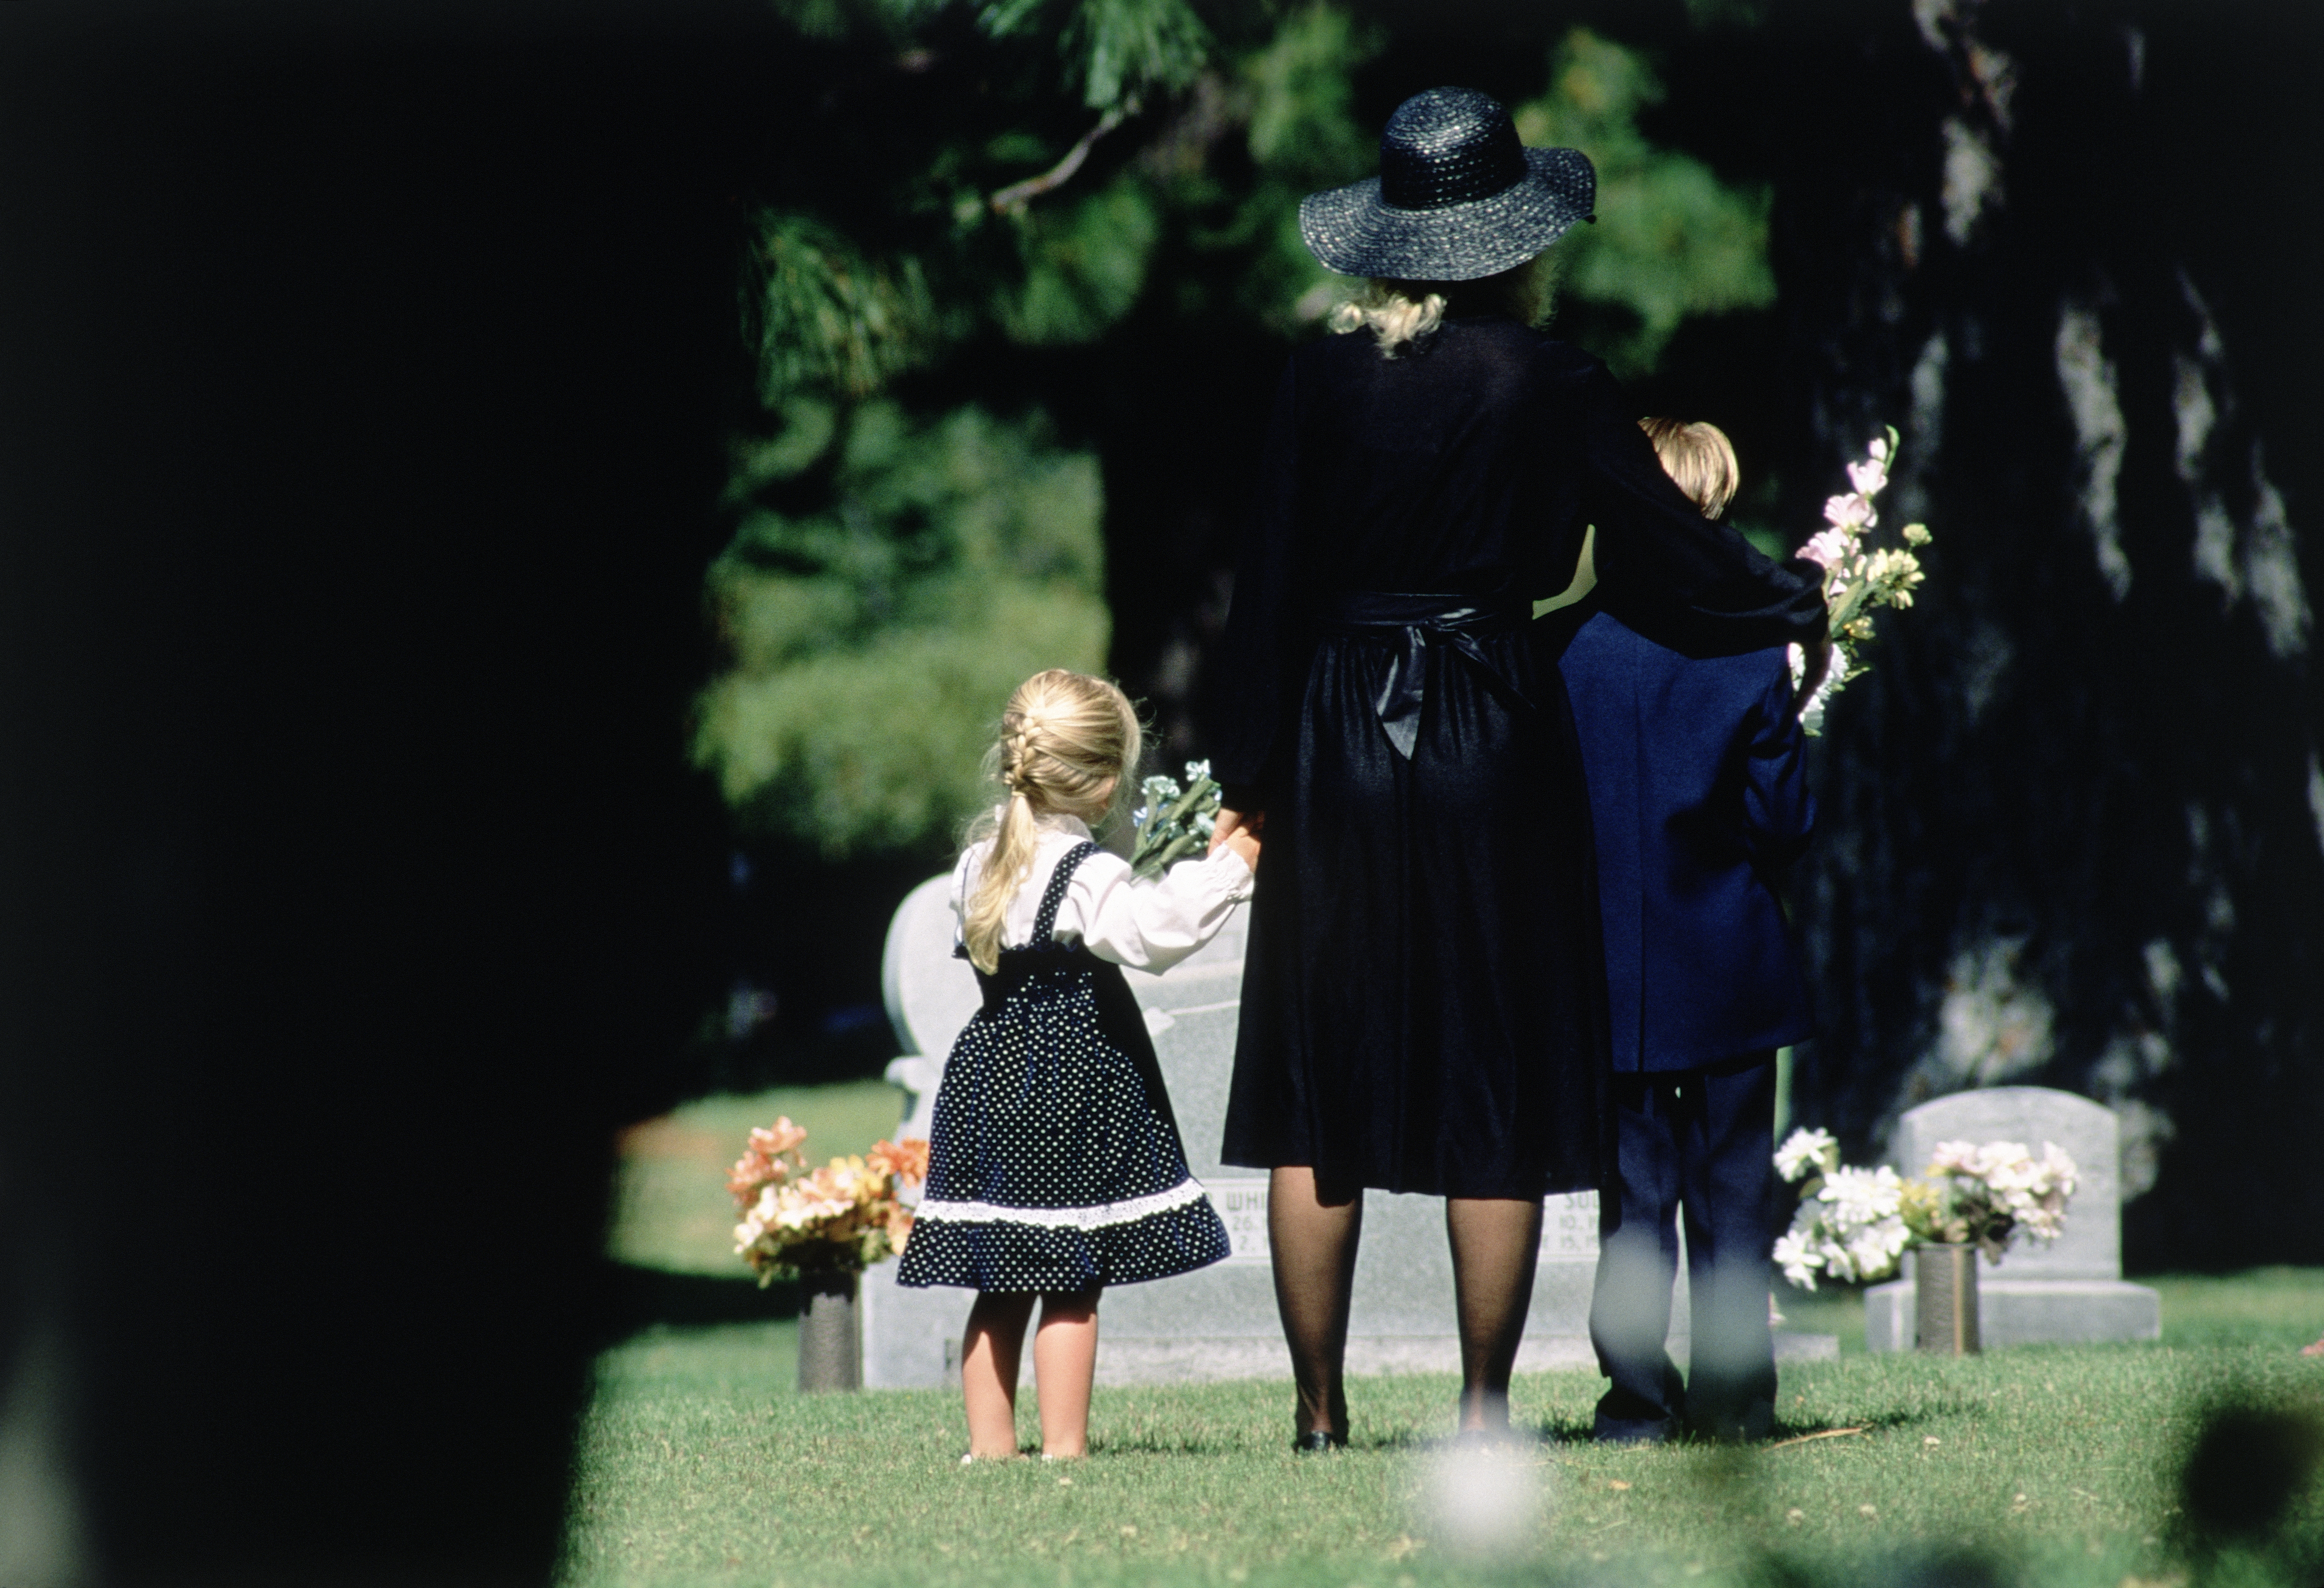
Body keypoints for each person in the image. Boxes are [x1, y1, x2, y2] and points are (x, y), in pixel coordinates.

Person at [1206, 87, 1829, 1450]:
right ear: (1511, 241)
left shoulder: (1315, 376)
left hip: (1334, 729)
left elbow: (1268, 583)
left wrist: (1248, 771)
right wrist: (1792, 607)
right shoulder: (1554, 381)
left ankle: (1320, 1417)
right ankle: (1484, 1412)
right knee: (1489, 1066)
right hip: (1494, 723)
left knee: (1322, 1077)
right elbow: (1663, 549)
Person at [897, 669, 1259, 1461]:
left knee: (1000, 1274)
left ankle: (989, 1449)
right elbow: (1156, 933)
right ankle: (1064, 1449)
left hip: (991, 1074)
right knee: (1070, 1275)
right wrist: (1235, 865)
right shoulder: (1087, 874)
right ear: (1101, 783)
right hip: (1068, 1080)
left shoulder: (976, 863)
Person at [1555, 418, 1818, 1443]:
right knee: (1734, 1200)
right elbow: (1783, 827)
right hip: (1730, 963)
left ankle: (1633, 1402)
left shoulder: (1557, 647)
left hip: (1606, 971)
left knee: (1630, 1205)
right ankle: (1737, 1403)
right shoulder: (1752, 655)